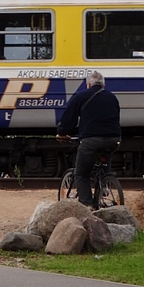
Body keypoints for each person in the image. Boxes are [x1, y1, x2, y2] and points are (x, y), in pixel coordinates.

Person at [56, 71, 121, 209]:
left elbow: (69, 119)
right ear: (103, 85)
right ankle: (105, 184)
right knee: (104, 161)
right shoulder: (112, 97)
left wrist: (62, 133)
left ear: (88, 84)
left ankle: (87, 205)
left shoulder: (81, 96)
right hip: (113, 140)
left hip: (91, 140)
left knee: (81, 174)